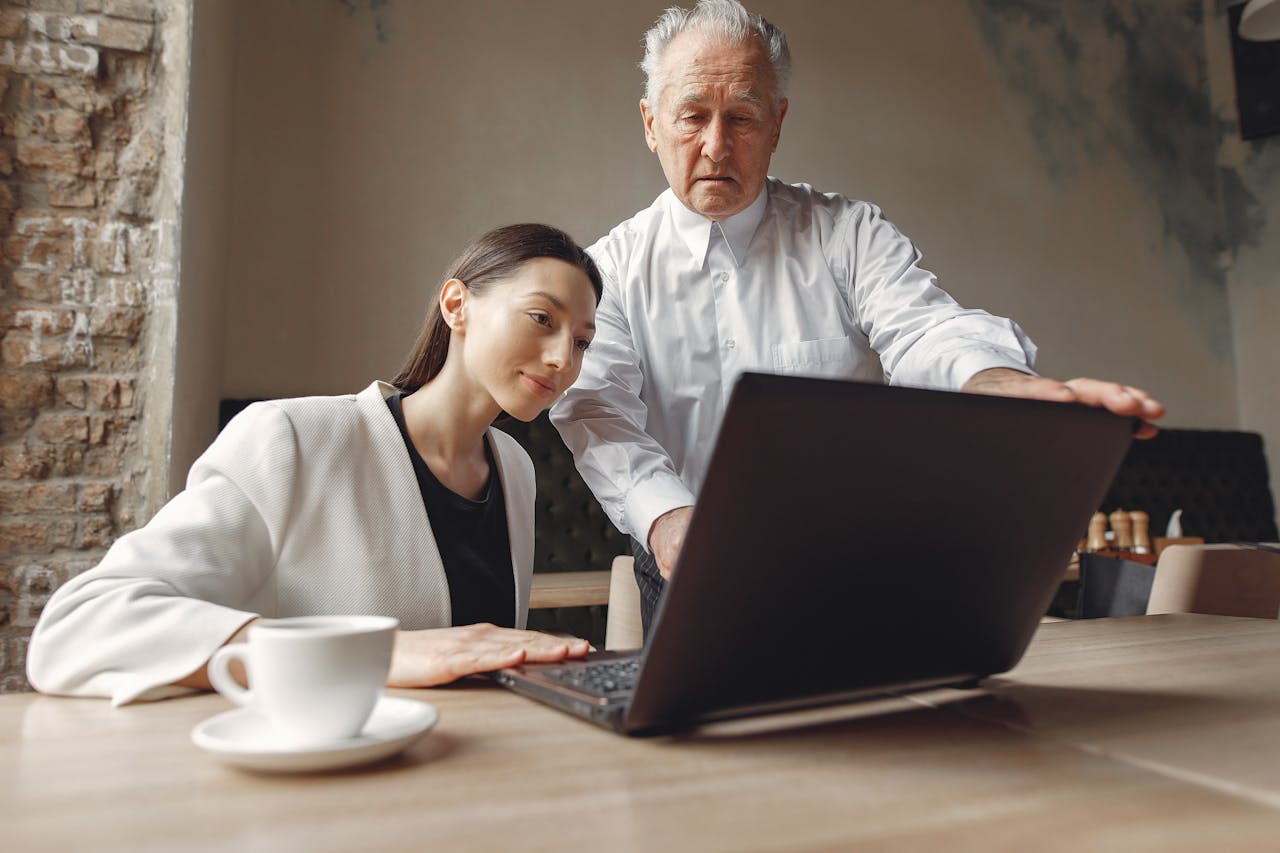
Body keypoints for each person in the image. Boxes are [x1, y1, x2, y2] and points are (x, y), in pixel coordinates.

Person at [550, 0, 1166, 636]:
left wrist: (1003, 386)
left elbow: (923, 329)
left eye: (742, 117)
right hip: (682, 559)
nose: (716, 144)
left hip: (855, 563)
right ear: (651, 124)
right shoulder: (609, 271)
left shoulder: (847, 234)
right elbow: (599, 410)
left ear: (777, 122)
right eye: (692, 116)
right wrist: (669, 518)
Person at [27, 223, 602, 705]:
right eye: (540, 318)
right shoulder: (293, 438)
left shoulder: (514, 466)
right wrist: (372, 652)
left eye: (581, 341)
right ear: (457, 305)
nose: (562, 360)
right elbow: (81, 625)